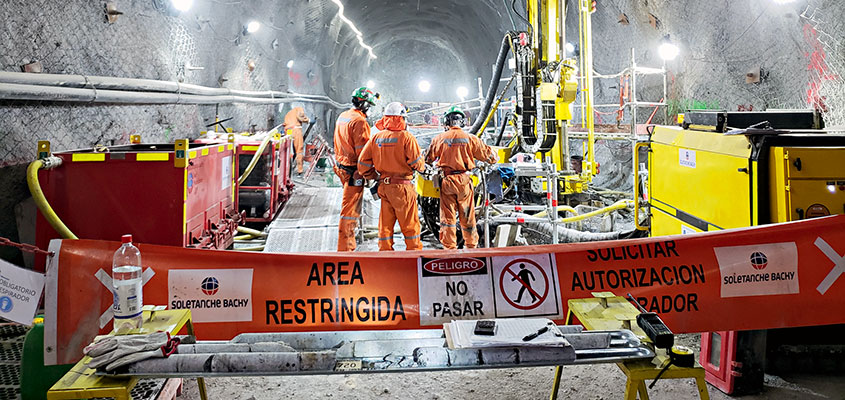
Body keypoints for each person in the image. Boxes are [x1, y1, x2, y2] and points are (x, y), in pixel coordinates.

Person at [425, 105, 497, 249]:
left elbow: (427, 159)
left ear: (447, 122)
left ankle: (449, 248)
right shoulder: (470, 139)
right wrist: (494, 156)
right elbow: (490, 157)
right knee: (468, 216)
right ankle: (471, 246)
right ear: (462, 122)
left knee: (447, 218)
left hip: (447, 181)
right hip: (464, 181)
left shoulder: (439, 138)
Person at [358, 102, 425, 251]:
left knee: (385, 226)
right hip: (403, 188)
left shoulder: (376, 138)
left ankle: (385, 255)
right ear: (402, 118)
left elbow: (362, 163)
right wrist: (423, 165)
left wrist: (375, 176)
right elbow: (417, 163)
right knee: (410, 226)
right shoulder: (407, 138)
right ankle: (413, 256)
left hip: (384, 186)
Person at [333, 87, 377, 251]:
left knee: (349, 208)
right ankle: (346, 249)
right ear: (364, 104)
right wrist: (373, 174)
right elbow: (363, 154)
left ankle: (348, 243)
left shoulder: (343, 116)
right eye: (370, 105)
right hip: (354, 172)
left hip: (342, 168)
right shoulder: (360, 122)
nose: (370, 109)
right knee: (350, 211)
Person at [284, 106, 311, 174]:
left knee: (288, 150)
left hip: (288, 131)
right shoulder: (299, 108)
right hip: (296, 130)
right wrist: (308, 120)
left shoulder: (289, 113)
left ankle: (287, 170)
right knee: (299, 150)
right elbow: (300, 116)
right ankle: (300, 170)